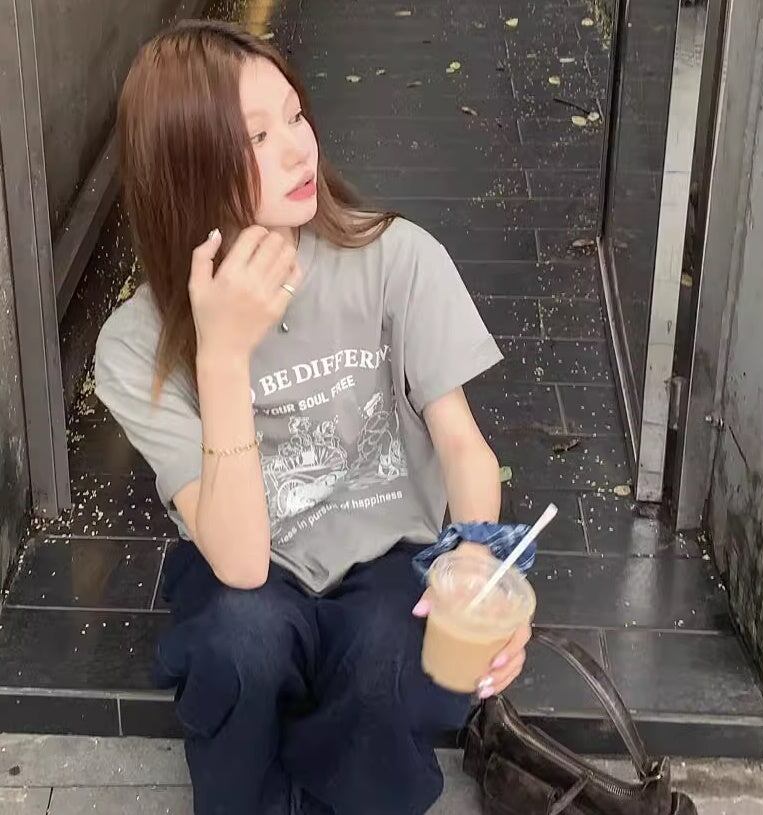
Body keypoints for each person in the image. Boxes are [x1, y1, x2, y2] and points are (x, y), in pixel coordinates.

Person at [94, 19, 531, 815]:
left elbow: (462, 444)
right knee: (240, 643)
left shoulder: (396, 257)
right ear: (186, 164)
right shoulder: (134, 345)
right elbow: (239, 565)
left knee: (395, 654)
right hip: (251, 567)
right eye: (258, 136)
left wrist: (478, 566)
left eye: (295, 115)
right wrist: (222, 356)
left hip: (385, 553)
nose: (299, 149)